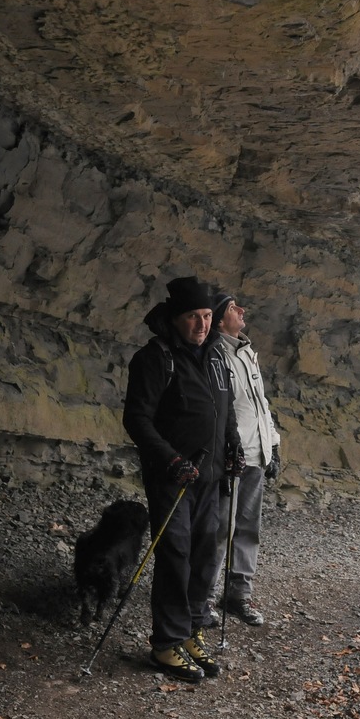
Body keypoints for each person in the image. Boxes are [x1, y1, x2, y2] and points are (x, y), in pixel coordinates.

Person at [122, 276, 244, 682]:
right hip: (173, 477)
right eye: (193, 316)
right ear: (175, 318)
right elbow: (137, 419)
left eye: (208, 316)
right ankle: (165, 644)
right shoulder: (155, 358)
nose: (202, 324)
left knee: (205, 554)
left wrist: (233, 446)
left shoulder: (215, 357)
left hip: (210, 475)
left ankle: (191, 632)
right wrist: (171, 460)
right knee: (175, 555)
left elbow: (222, 410)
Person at [208, 292, 281, 628]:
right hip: (231, 456)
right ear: (221, 318)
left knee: (248, 528)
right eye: (234, 308)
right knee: (221, 526)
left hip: (257, 453)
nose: (242, 311)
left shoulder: (247, 352)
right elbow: (219, 409)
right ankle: (205, 596)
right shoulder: (215, 355)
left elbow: (260, 404)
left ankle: (238, 594)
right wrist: (227, 446)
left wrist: (274, 444)